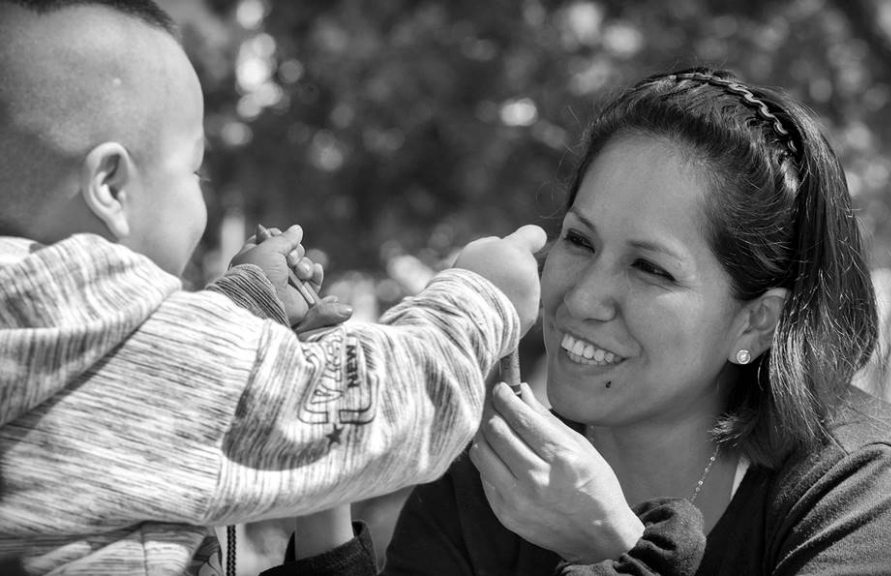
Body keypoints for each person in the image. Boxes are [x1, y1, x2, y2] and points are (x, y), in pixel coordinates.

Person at [267, 67, 891, 575]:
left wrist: (613, 549)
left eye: (650, 269)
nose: (582, 296)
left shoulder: (858, 488)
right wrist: (321, 469)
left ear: (757, 325)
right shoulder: (491, 473)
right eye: (579, 240)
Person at [0, 1, 547, 574]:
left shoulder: (45, 339)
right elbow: (385, 412)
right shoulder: (148, 362)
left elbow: (144, 375)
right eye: (193, 170)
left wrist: (248, 302)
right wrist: (481, 300)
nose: (201, 193)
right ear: (110, 186)